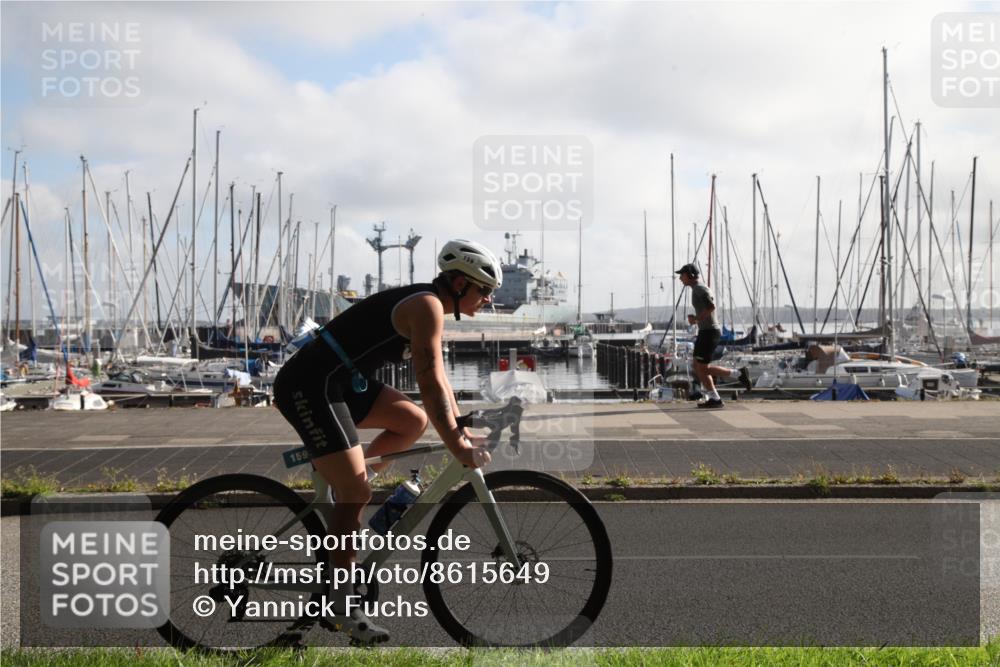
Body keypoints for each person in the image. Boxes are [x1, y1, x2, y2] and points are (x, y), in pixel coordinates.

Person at [272, 239, 501, 643]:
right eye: (484, 290)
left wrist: (460, 430)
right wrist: (457, 446)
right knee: (354, 490)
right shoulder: (426, 305)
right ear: (460, 283)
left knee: (410, 421)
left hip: (342, 382)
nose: (488, 299)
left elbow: (441, 383)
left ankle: (345, 482)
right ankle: (341, 604)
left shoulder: (431, 305)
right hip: (310, 385)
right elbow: (428, 381)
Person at [675, 263, 752, 408]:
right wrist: (697, 319)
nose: (680, 278)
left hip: (709, 332)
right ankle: (715, 398)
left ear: (690, 275)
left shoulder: (699, 289)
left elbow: (711, 307)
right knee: (698, 366)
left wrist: (696, 319)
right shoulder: (697, 288)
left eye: (682, 275)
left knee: (701, 368)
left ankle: (737, 374)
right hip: (706, 331)